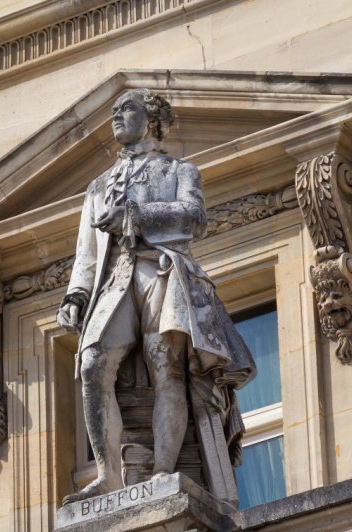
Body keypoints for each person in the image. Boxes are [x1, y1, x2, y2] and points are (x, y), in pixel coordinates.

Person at [56, 89, 256, 505]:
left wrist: (137, 215)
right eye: (113, 111)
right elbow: (86, 253)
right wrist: (76, 294)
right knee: (92, 364)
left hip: (161, 271)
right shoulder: (96, 187)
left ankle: (164, 471)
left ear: (151, 120)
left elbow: (194, 217)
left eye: (126, 109)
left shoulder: (179, 170)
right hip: (114, 281)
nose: (116, 116)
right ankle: (109, 476)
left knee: (167, 368)